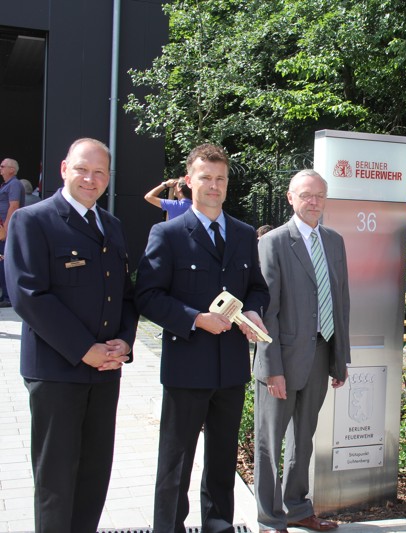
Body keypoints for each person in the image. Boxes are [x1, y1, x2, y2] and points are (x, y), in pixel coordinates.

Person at [4, 138, 138, 532]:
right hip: (57, 372)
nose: (90, 178)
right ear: (64, 169)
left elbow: (125, 295)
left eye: (99, 172)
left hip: (106, 371)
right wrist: (85, 350)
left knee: (94, 475)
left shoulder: (110, 225)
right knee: (57, 481)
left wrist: (125, 343)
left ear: (109, 178)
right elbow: (28, 295)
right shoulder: (34, 220)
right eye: (82, 169)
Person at [135, 143, 270, 532]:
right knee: (176, 461)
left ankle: (218, 525)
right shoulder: (168, 233)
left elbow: (258, 288)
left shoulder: (244, 235)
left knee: (223, 459)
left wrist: (254, 310)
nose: (214, 186)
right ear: (189, 180)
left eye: (221, 179)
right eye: (206, 178)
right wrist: (196, 319)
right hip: (186, 366)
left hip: (230, 368)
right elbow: (147, 295)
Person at [254, 169, 350, 533]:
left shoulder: (335, 241)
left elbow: (341, 303)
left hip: (321, 355)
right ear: (290, 198)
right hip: (282, 360)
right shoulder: (275, 243)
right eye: (306, 195)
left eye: (319, 196)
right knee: (269, 443)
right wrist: (270, 368)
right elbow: (267, 313)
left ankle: (297, 509)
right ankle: (269, 518)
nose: (313, 202)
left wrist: (339, 359)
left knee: (303, 441)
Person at [0, 157, 26, 307]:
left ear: (12, 169)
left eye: (3, 166)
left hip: (5, 229)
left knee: (4, 261)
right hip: (2, 228)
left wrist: (7, 228)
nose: (0, 168)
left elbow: (13, 206)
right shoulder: (6, 185)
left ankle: (8, 297)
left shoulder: (14, 184)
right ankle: (4, 294)